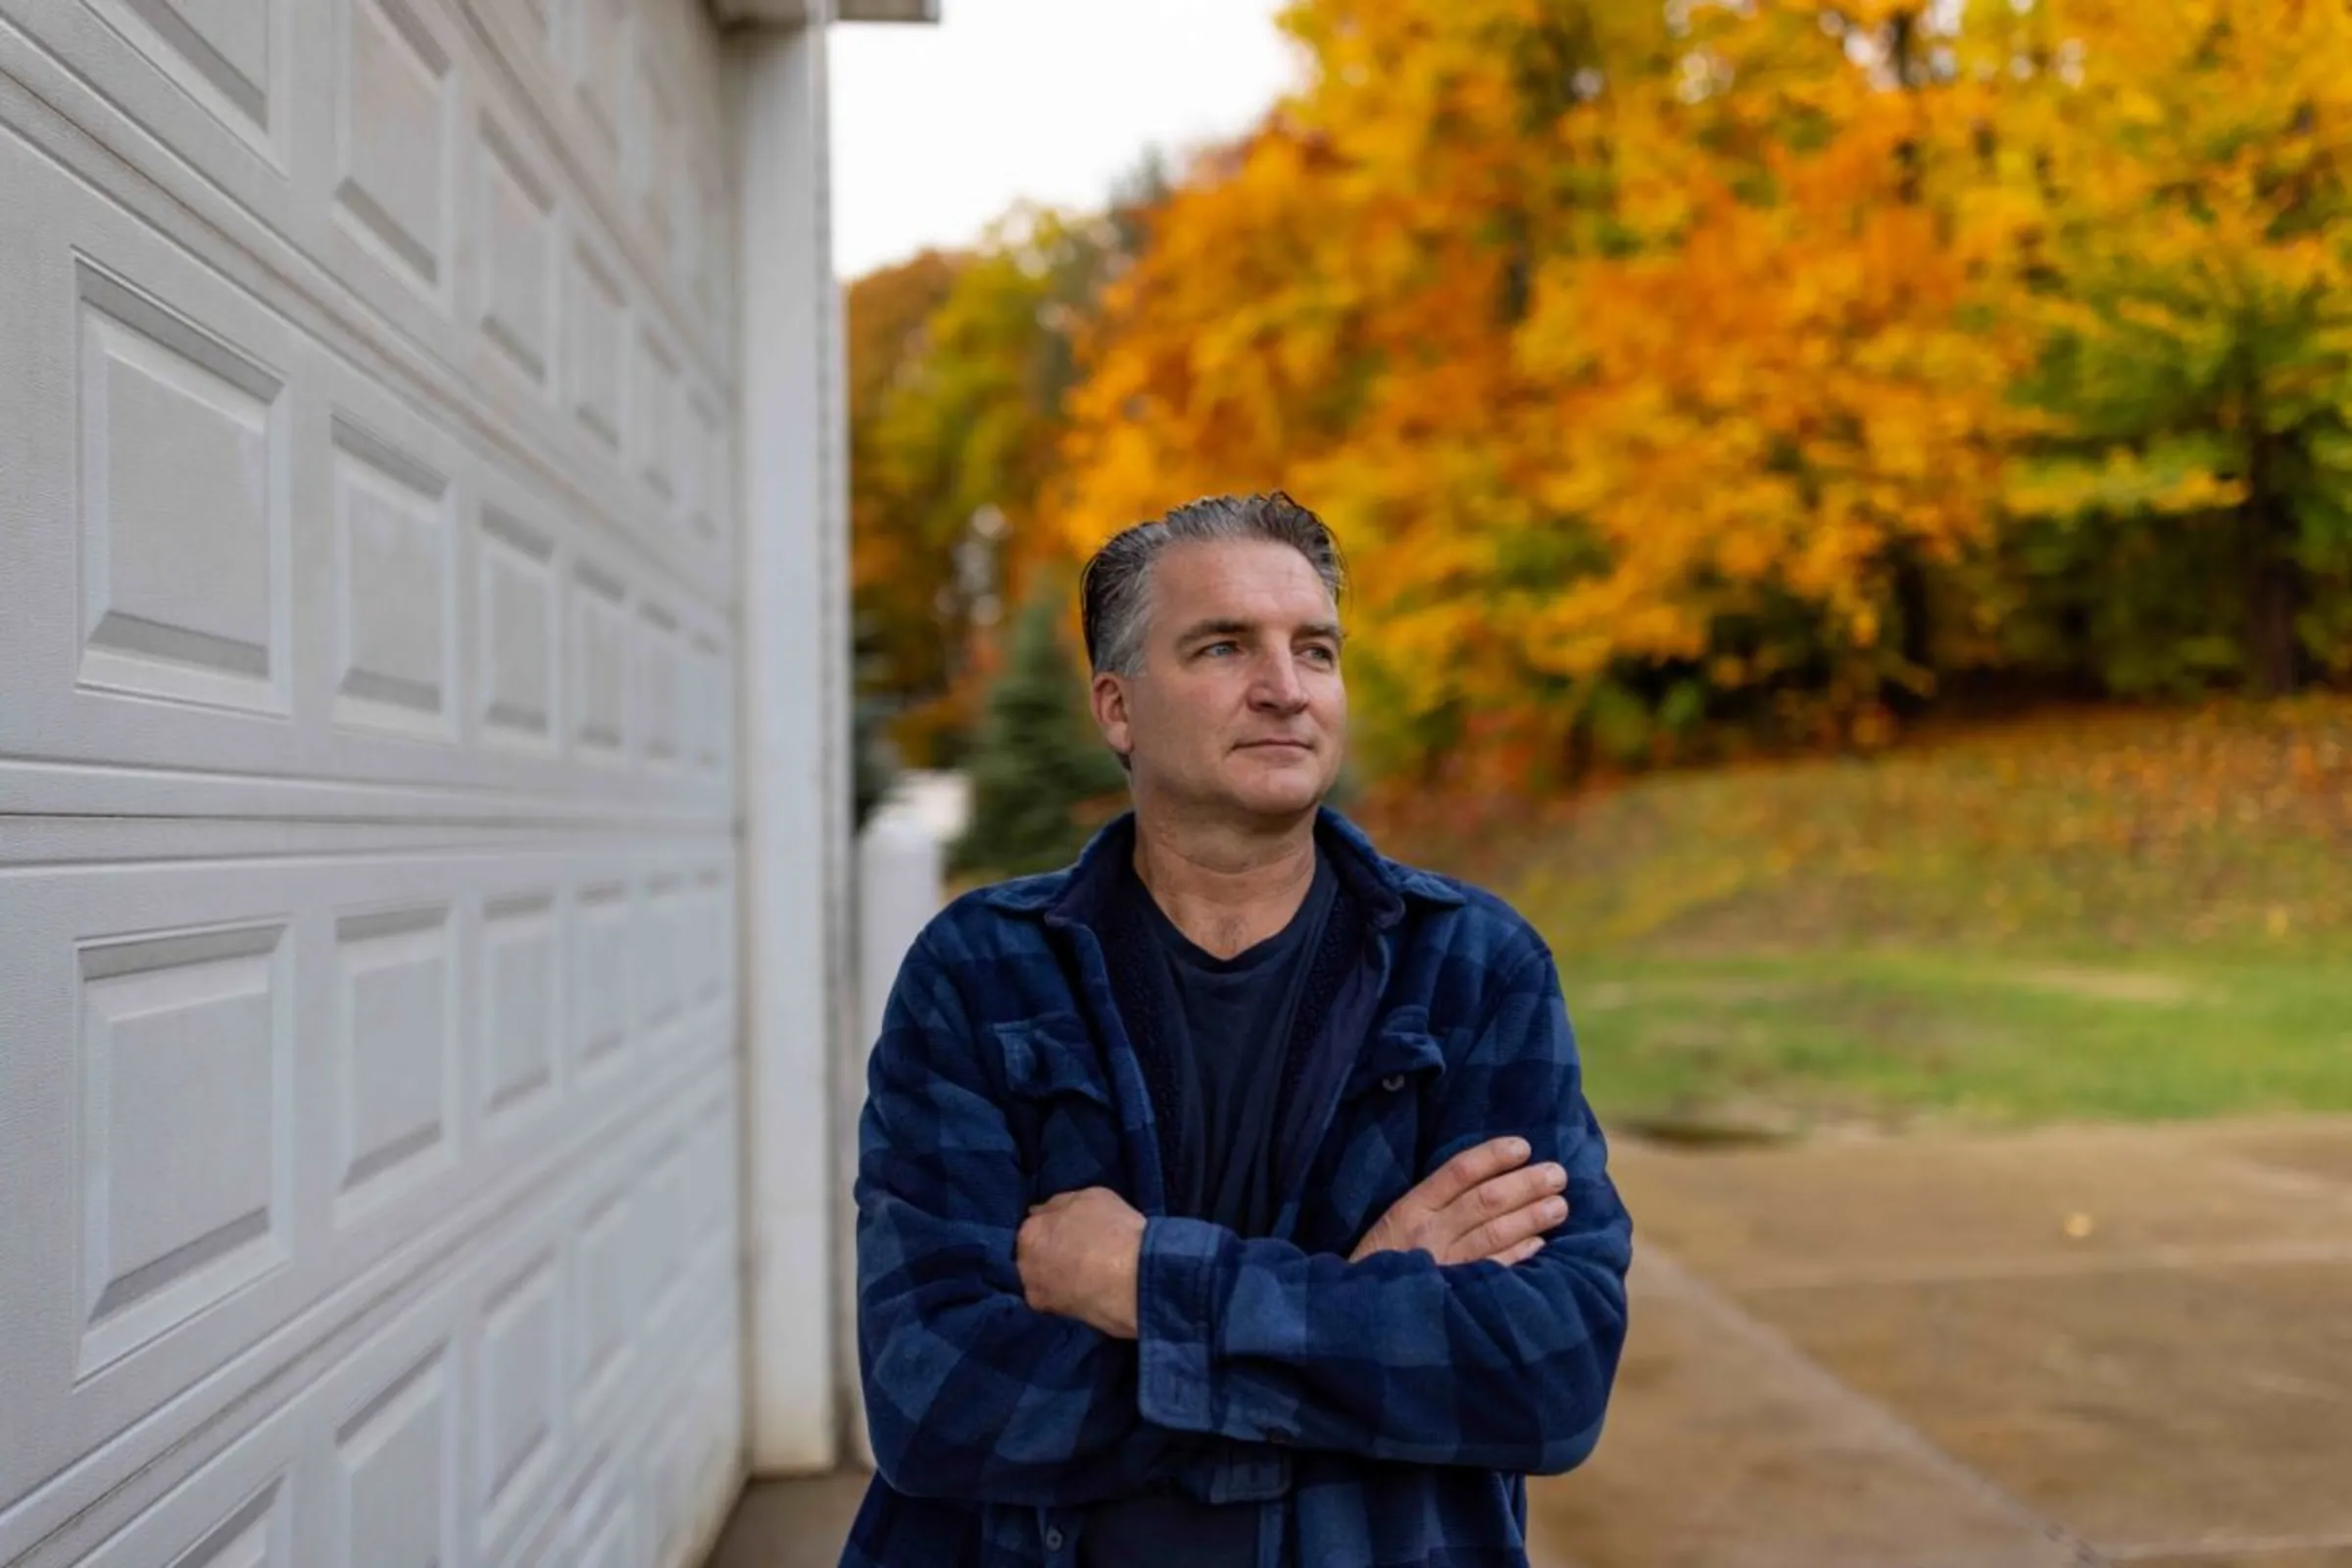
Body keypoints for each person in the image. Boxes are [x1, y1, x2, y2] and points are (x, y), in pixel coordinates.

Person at [844, 493, 1634, 1567]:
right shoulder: (982, 974)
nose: (1285, 688)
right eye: (1224, 646)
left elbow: (1551, 1374)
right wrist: (1363, 1304)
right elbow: (933, 1399)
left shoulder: (1472, 970)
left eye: (1315, 649)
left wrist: (1142, 1283)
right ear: (1117, 709)